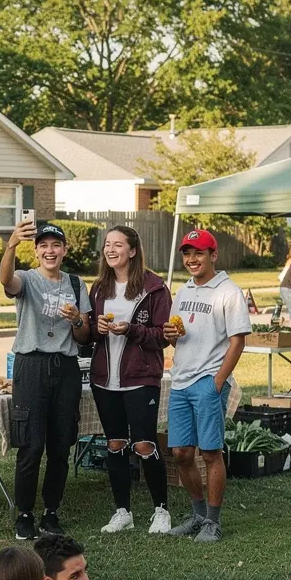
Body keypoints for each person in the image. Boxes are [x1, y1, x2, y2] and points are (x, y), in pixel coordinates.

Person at [0, 221, 91, 542]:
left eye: (56, 245)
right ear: (36, 251)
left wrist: (77, 319)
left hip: (65, 367)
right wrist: (11, 245)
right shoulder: (27, 279)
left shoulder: (77, 285)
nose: (50, 251)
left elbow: (84, 335)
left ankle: (51, 513)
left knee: (60, 445)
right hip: (31, 366)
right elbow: (6, 280)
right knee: (31, 444)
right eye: (44, 246)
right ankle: (24, 515)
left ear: (65, 250)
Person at [163, 229, 250, 543]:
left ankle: (213, 522)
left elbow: (238, 341)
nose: (191, 259)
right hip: (181, 379)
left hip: (208, 380)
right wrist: (170, 336)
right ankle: (197, 515)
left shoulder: (228, 291)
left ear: (213, 255)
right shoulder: (184, 290)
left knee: (210, 452)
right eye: (187, 253)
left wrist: (218, 381)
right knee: (181, 453)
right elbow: (174, 333)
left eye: (198, 253)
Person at [87, 226, 173, 534]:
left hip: (140, 379)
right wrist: (94, 328)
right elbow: (87, 337)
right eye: (107, 245)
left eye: (118, 245)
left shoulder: (154, 288)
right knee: (115, 444)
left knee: (145, 444)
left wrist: (131, 330)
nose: (110, 250)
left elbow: (164, 336)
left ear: (133, 251)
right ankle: (122, 511)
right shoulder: (98, 288)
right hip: (104, 380)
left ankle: (161, 511)